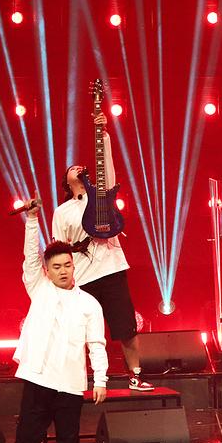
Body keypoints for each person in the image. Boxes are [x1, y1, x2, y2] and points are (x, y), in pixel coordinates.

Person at [11, 196, 108, 443]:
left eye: (67, 265)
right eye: (57, 267)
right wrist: (32, 221)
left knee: (68, 442)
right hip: (37, 378)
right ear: (47, 271)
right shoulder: (38, 288)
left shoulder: (89, 304)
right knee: (26, 438)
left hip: (69, 383)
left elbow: (97, 344)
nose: (64, 270)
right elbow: (29, 257)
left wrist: (100, 379)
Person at [53, 112, 153, 391]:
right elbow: (59, 248)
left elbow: (107, 169)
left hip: (112, 269)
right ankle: (78, 379)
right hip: (83, 278)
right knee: (82, 331)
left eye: (81, 167)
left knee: (126, 327)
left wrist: (103, 134)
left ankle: (135, 375)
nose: (78, 168)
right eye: (72, 168)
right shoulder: (62, 211)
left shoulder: (101, 197)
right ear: (67, 182)